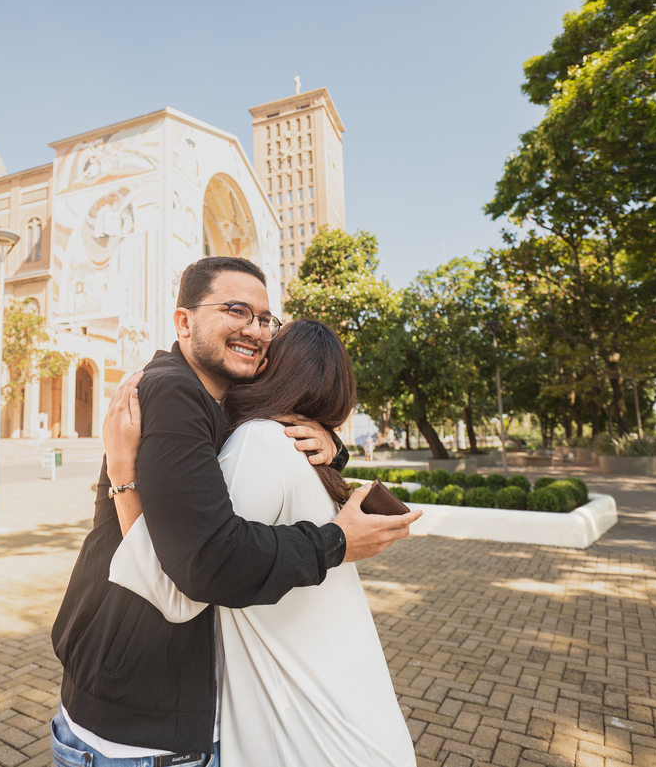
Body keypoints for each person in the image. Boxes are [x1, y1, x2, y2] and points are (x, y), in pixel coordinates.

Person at [49, 257, 421, 766]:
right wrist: (336, 541)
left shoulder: (219, 405)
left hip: (157, 716)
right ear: (184, 322)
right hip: (134, 728)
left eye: (265, 319)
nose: (256, 330)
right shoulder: (175, 391)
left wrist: (331, 444)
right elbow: (209, 562)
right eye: (237, 310)